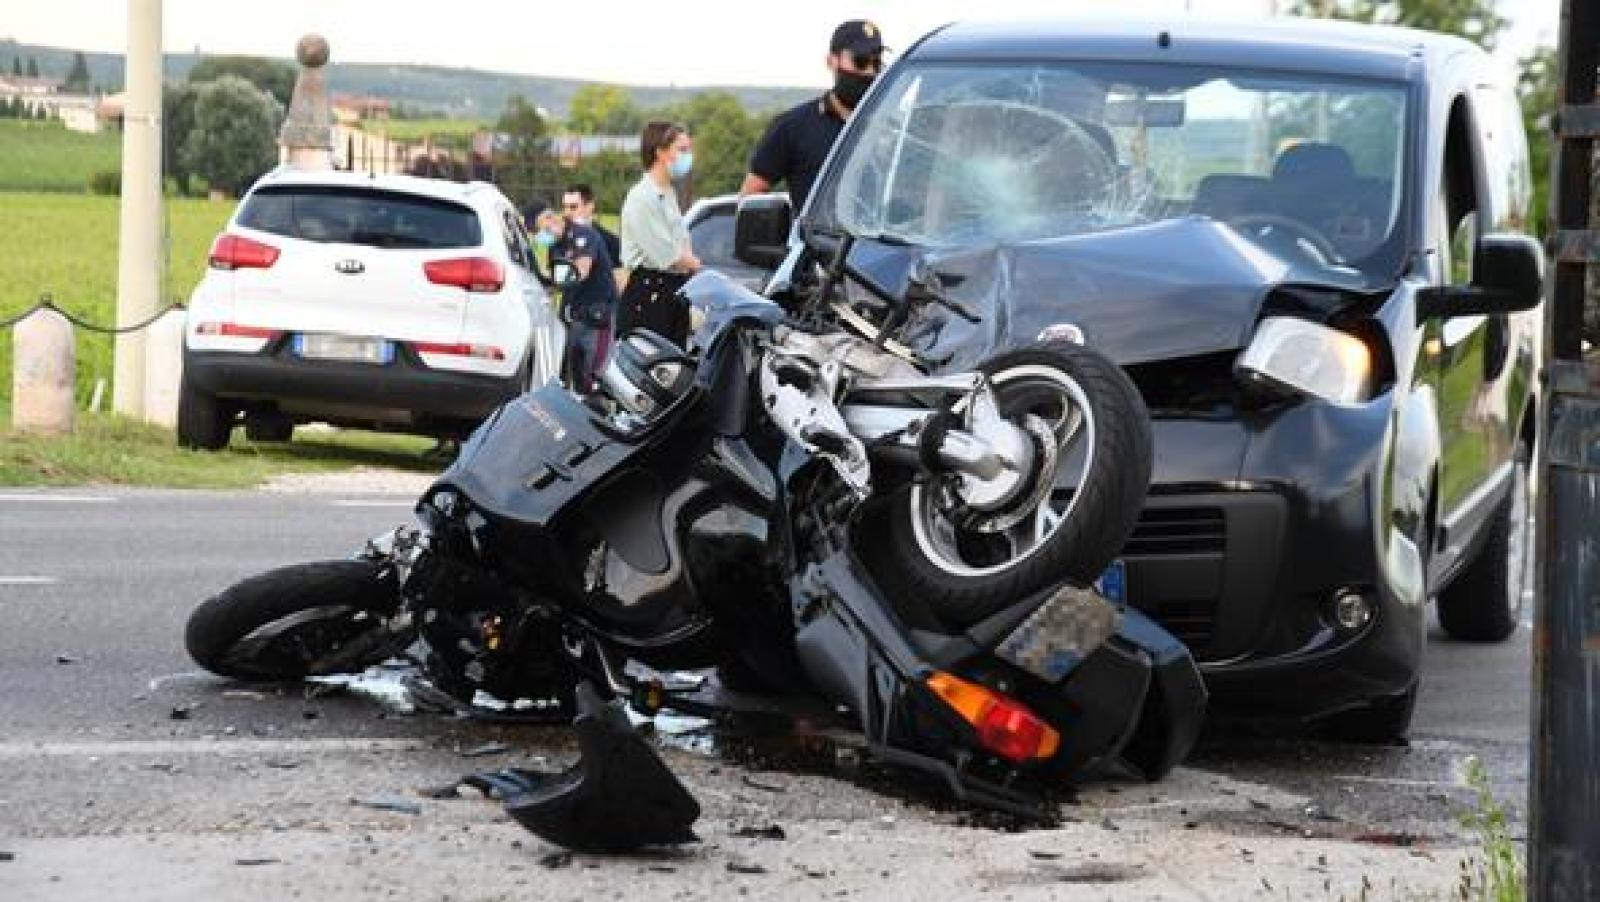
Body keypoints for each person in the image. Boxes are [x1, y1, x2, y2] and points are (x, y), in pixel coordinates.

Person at [741, 19, 885, 211]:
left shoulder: (893, 129)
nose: (869, 72)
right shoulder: (793, 127)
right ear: (831, 61)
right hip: (817, 240)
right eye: (860, 61)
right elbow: (750, 198)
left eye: (876, 63)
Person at [618, 121, 700, 347]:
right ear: (661, 152)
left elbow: (682, 240)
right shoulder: (642, 197)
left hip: (673, 290)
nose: (688, 156)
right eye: (682, 150)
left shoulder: (668, 193)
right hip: (650, 294)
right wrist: (693, 263)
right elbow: (668, 255)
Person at [535, 207, 618, 393]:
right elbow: (556, 281)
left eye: (545, 230)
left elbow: (582, 269)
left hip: (596, 314)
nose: (544, 236)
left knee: (596, 373)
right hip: (572, 316)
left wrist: (557, 278)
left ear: (554, 219)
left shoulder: (584, 235)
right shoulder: (555, 245)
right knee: (574, 374)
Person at [562, 183, 622, 266]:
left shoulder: (611, 242)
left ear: (590, 206)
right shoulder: (559, 239)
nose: (567, 213)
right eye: (565, 207)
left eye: (573, 207)